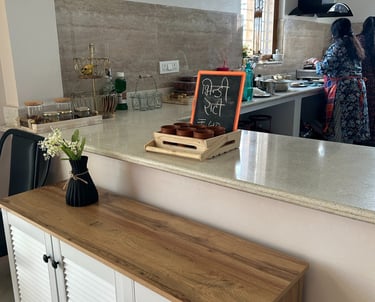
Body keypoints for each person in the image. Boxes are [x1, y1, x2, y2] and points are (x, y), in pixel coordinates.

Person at [315, 18, 370, 144]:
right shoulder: (355, 44)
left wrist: (315, 62)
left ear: (335, 32)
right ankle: (349, 154)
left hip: (344, 90)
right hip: (357, 87)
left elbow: (324, 68)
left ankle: (339, 156)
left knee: (340, 123)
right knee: (353, 125)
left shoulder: (339, 46)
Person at [357, 17, 375, 145]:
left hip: (362, 80)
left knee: (363, 109)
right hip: (373, 79)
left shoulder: (358, 40)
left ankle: (363, 136)